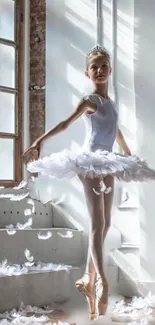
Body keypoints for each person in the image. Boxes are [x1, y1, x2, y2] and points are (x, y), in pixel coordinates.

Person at [24, 45, 155, 320]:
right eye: (94, 67)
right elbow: (64, 123)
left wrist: (128, 156)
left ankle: (87, 276)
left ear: (109, 70)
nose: (99, 70)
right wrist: (38, 141)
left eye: (103, 66)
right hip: (90, 162)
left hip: (107, 161)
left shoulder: (111, 104)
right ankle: (101, 282)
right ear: (87, 73)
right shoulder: (88, 100)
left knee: (106, 222)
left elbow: (115, 130)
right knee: (97, 224)